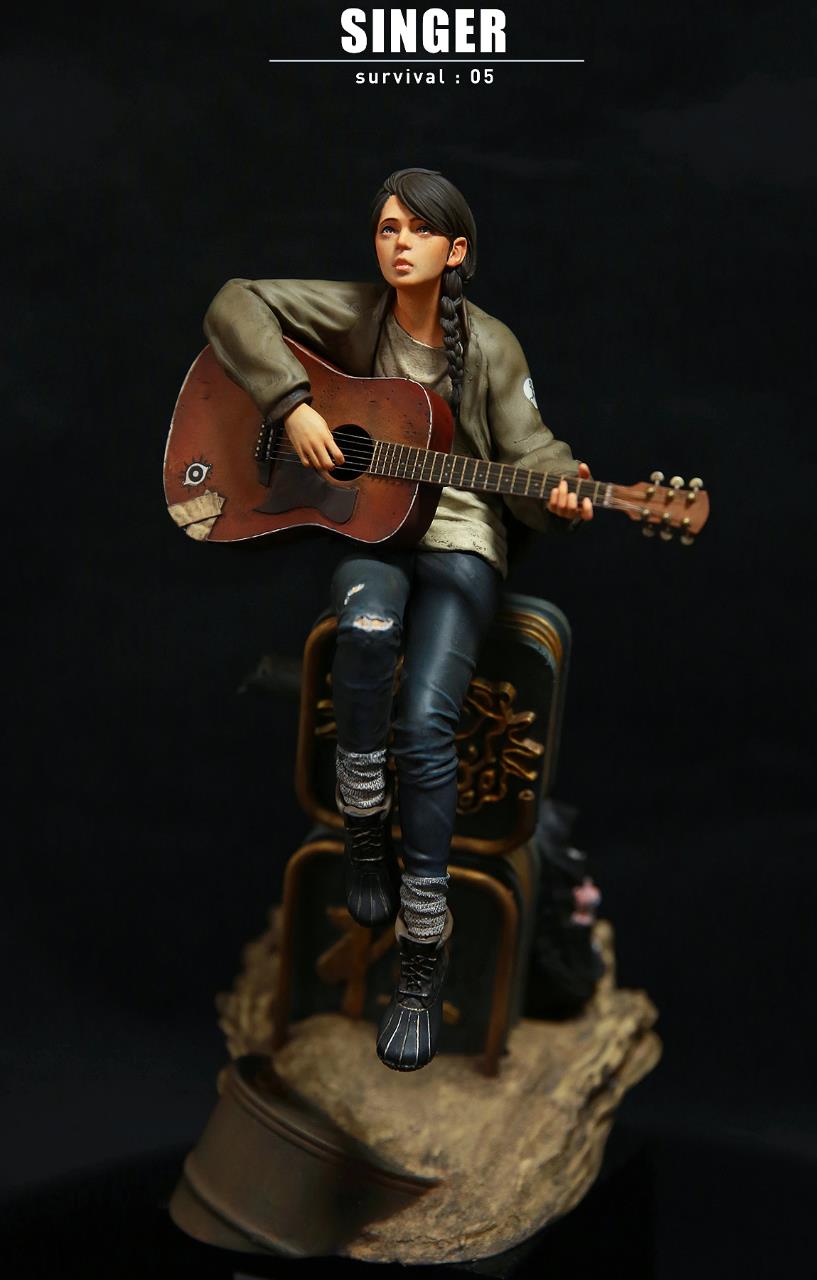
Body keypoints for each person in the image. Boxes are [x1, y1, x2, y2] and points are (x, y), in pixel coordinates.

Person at [203, 167, 593, 1072]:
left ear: (455, 251)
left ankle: (422, 954)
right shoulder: (356, 314)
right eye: (386, 229)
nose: (399, 245)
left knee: (425, 726)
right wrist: (292, 406)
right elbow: (234, 302)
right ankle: (363, 829)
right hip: (371, 530)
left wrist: (562, 490)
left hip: (458, 536)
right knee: (366, 634)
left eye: (418, 231)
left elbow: (531, 453)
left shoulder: (489, 346)